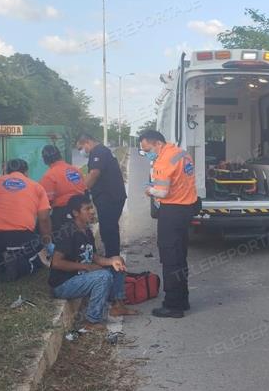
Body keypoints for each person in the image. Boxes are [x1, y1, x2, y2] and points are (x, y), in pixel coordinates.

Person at [139, 130, 199, 318]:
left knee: (170, 258)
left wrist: (149, 190)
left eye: (146, 149)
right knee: (180, 256)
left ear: (157, 143)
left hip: (172, 211)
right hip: (187, 208)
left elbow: (162, 192)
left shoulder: (164, 160)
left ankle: (173, 305)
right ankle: (183, 298)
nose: (146, 153)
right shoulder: (182, 153)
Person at [76, 133, 136, 316]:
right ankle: (113, 270)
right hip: (111, 199)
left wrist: (80, 192)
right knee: (109, 236)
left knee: (110, 241)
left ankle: (116, 288)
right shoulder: (103, 152)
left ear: (87, 142)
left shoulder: (98, 151)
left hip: (109, 200)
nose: (82, 151)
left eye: (81, 148)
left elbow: (94, 173)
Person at [49, 194, 128, 330]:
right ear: (75, 213)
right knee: (103, 276)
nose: (92, 211)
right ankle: (91, 320)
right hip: (64, 284)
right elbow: (56, 263)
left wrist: (112, 261)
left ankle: (118, 306)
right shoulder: (68, 232)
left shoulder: (87, 231)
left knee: (117, 265)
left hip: (81, 276)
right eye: (87, 209)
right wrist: (85, 267)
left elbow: (94, 256)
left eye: (92, 208)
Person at [0, 159, 53, 280]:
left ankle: (0, 261)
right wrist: (46, 241)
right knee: (35, 254)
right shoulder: (37, 187)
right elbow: (44, 218)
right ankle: (20, 266)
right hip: (20, 235)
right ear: (26, 172)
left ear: (6, 171)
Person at [39, 145, 87, 231]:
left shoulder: (49, 176)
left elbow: (46, 204)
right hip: (81, 211)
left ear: (45, 160)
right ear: (60, 155)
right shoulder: (75, 170)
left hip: (63, 214)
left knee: (65, 241)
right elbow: (85, 189)